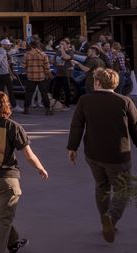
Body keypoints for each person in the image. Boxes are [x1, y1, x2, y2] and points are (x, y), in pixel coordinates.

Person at [0, 91, 48, 253]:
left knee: (0, 217)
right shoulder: (12, 126)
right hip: (6, 180)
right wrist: (40, 168)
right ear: (6, 106)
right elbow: (29, 155)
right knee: (2, 220)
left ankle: (13, 242)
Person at [66, 67, 137, 243]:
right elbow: (135, 128)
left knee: (101, 186)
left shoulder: (85, 100)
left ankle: (105, 219)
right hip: (118, 155)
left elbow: (77, 125)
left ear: (97, 82)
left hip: (93, 154)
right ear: (115, 83)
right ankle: (111, 217)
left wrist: (72, 148)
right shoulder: (124, 101)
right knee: (122, 188)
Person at [22, 40, 52, 116]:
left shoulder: (26, 55)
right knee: (44, 93)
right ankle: (47, 110)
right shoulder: (43, 55)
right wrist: (48, 75)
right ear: (38, 46)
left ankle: (26, 109)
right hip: (41, 77)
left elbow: (23, 66)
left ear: (31, 46)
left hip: (30, 77)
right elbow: (47, 68)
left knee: (29, 93)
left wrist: (28, 69)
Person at [51, 39, 77, 109]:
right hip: (58, 74)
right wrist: (53, 61)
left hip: (66, 74)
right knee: (56, 89)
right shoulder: (58, 52)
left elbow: (65, 57)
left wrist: (62, 50)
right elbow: (54, 61)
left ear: (68, 45)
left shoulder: (70, 52)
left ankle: (67, 105)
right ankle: (55, 103)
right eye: (60, 44)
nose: (61, 45)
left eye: (63, 44)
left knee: (67, 90)